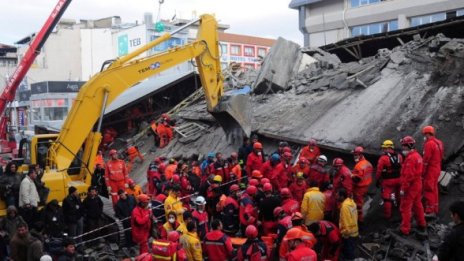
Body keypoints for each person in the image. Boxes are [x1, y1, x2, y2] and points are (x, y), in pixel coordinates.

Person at [399, 136, 426, 236]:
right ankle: (422, 223)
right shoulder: (418, 156)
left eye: (404, 146)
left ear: (409, 146)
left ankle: (405, 229)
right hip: (418, 184)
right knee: (417, 204)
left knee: (405, 207)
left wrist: (403, 188)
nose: (403, 149)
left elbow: (408, 176)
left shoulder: (411, 158)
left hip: (410, 186)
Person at [376, 140, 402, 219]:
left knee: (386, 197)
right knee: (399, 194)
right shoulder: (399, 156)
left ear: (388, 148)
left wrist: (377, 180)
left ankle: (388, 215)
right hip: (399, 179)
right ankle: (400, 210)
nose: (383, 149)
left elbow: (379, 170)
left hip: (388, 181)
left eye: (384, 148)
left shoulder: (383, 158)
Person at [422, 125, 444, 218]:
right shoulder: (439, 142)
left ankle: (430, 210)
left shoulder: (429, 144)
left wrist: (422, 171)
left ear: (426, 134)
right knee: (434, 188)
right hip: (437, 167)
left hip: (431, 169)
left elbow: (426, 159)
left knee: (428, 189)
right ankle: (435, 208)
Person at [350, 146, 373, 223]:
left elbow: (357, 179)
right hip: (366, 186)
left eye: (356, 155)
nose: (354, 157)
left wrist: (351, 176)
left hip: (359, 188)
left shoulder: (358, 166)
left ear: (360, 155)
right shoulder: (368, 163)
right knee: (361, 201)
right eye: (354, 155)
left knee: (358, 204)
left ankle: (359, 220)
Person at [338, 188, 358, 261]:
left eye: (338, 195)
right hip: (354, 230)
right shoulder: (352, 203)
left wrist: (344, 232)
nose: (337, 197)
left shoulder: (344, 207)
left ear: (342, 196)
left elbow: (346, 221)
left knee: (349, 254)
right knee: (352, 250)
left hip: (348, 234)